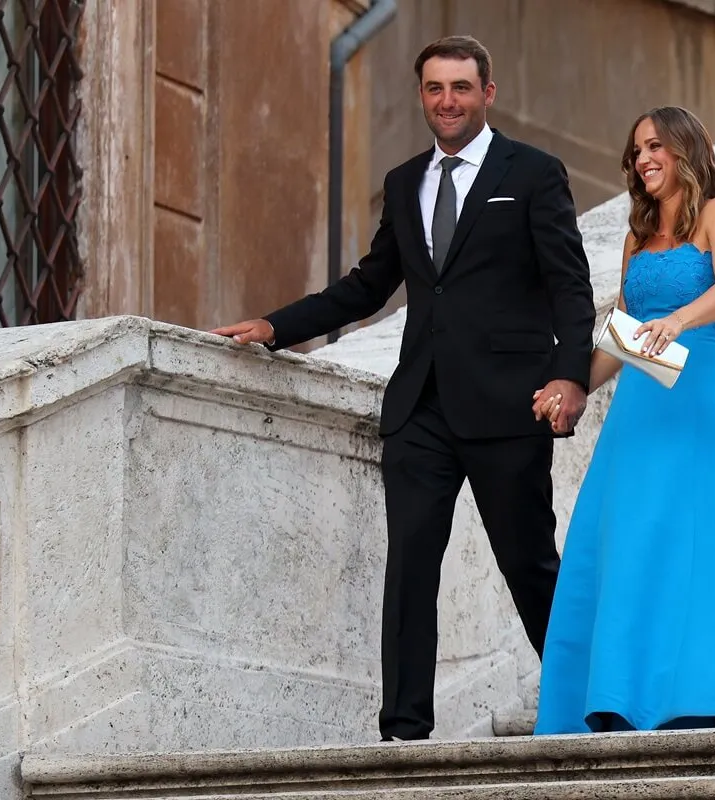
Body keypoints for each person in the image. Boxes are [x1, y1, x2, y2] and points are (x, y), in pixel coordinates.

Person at [211, 35, 595, 742]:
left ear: (488, 93)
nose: (447, 100)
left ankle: (592, 705)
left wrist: (570, 376)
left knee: (531, 565)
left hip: (509, 405)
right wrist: (275, 326)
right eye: (434, 88)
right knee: (410, 566)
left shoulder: (534, 174)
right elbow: (367, 285)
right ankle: (405, 730)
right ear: (422, 95)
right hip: (420, 408)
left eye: (460, 87)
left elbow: (571, 286)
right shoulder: (403, 180)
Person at [531, 106, 715, 734]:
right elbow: (625, 335)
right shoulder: (639, 235)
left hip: (707, 403)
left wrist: (679, 320)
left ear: (686, 149)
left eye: (656, 146)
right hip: (642, 410)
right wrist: (574, 386)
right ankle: (622, 696)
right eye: (636, 150)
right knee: (635, 543)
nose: (643, 160)